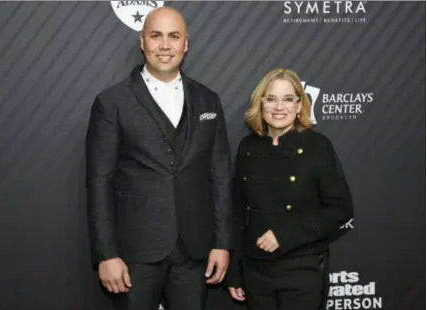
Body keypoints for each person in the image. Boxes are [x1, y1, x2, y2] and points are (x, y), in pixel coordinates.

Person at [86, 7, 233, 310]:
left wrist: (222, 242)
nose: (165, 46)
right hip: (134, 255)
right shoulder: (112, 102)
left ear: (185, 44)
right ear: (143, 42)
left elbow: (219, 175)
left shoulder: (209, 100)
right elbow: (100, 181)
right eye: (156, 36)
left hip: (195, 253)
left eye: (173, 37)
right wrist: (106, 254)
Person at [225, 68, 354, 310]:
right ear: (261, 104)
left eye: (287, 99)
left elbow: (341, 209)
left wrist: (283, 235)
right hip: (256, 272)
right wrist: (235, 270)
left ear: (299, 106)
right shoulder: (248, 147)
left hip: (301, 269)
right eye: (271, 99)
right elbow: (238, 213)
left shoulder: (318, 146)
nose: (278, 107)